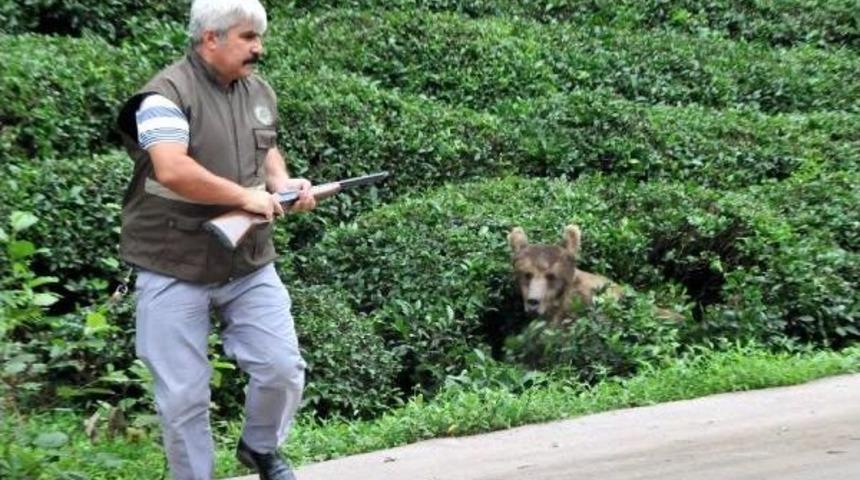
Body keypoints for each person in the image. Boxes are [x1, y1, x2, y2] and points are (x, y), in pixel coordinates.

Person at [115, 1, 314, 479]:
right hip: (171, 263)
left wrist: (284, 185)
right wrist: (247, 198)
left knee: (283, 368)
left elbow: (266, 150)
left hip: (248, 261)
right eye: (248, 38)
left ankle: (261, 447)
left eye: (258, 37)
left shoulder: (257, 91)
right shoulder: (163, 96)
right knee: (183, 397)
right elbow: (172, 168)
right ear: (211, 39)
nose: (258, 48)